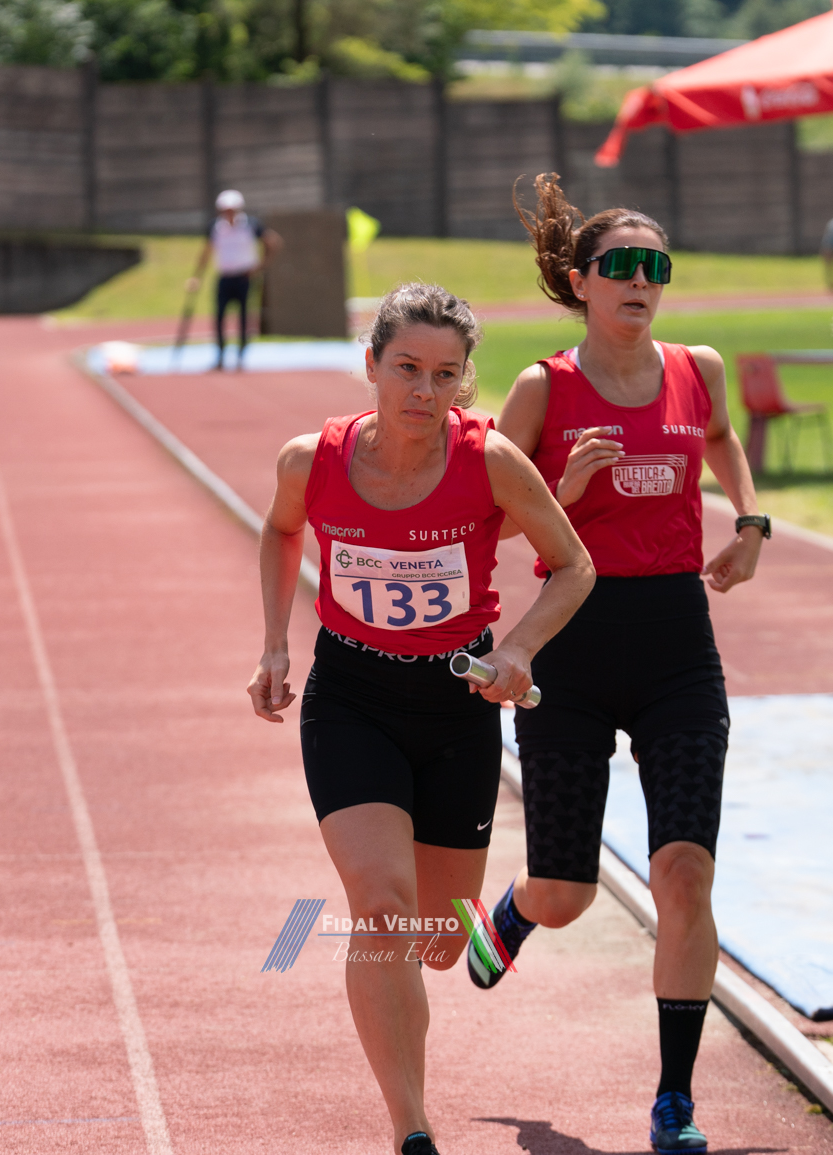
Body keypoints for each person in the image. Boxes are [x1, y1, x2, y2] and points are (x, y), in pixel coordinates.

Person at [249, 283, 594, 1155]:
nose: (423, 390)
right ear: (371, 364)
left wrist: (518, 649)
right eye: (406, 368)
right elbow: (281, 531)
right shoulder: (310, 461)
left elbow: (573, 564)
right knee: (381, 910)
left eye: (445, 374)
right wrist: (275, 644)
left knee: (437, 942)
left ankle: (494, 916)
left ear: (463, 381)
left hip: (455, 704)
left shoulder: (490, 460)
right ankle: (412, 1126)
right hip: (351, 698)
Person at [482, 173, 769, 1155]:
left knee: (683, 872)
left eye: (656, 266)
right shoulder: (542, 388)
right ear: (581, 281)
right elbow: (488, 512)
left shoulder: (697, 368)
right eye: (621, 266)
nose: (640, 281)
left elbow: (722, 438)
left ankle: (674, 1098)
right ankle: (517, 909)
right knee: (566, 894)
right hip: (570, 641)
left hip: (676, 645)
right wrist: (559, 489)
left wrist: (751, 521)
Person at [188, 189, 281, 371]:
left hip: (244, 278)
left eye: (231, 210)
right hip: (225, 277)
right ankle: (220, 356)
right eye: (225, 210)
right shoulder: (215, 227)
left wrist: (261, 266)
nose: (228, 213)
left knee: (244, 318)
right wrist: (196, 277)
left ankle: (240, 356)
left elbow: (273, 242)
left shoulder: (251, 225)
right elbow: (206, 252)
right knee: (219, 317)